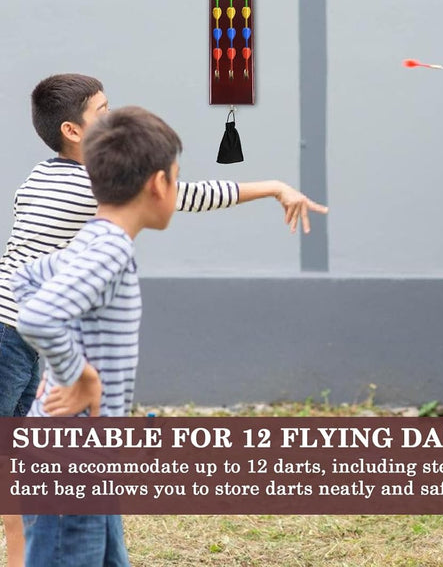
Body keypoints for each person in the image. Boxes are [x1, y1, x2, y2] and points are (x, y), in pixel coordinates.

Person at [0, 74, 327, 565]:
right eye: (103, 111)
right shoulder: (87, 202)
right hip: (15, 345)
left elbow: (28, 280)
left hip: (29, 350)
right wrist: (78, 371)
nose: (111, 120)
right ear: (73, 131)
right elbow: (186, 194)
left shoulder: (49, 176)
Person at [13, 106, 184, 565]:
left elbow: (25, 279)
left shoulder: (95, 238)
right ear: (159, 184)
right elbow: (40, 316)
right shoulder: (109, 247)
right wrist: (78, 375)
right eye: (176, 176)